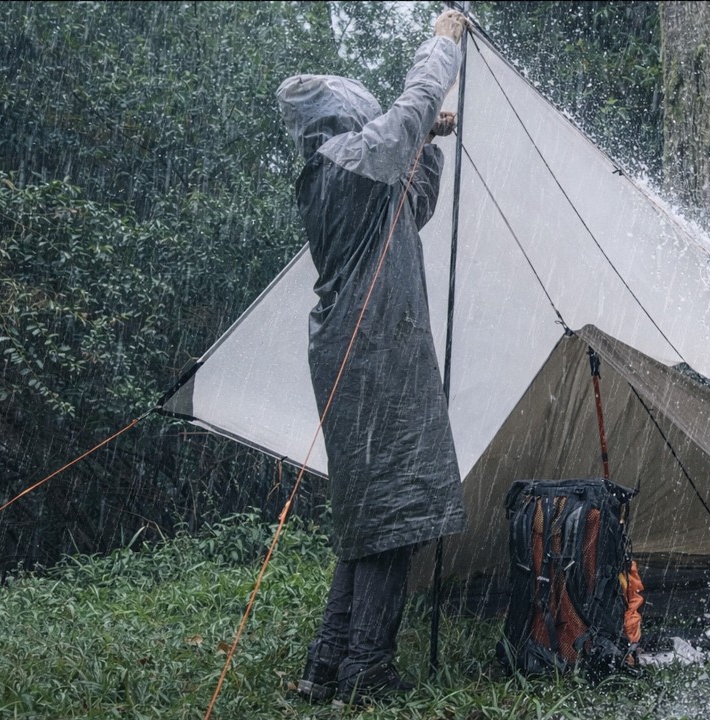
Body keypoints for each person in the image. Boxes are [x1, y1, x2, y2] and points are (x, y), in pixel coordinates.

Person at [275, 9, 469, 704]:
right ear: (339, 121)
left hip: (362, 348)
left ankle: (328, 663)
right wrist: (440, 45)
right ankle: (367, 669)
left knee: (369, 515)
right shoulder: (344, 162)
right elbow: (412, 104)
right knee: (393, 512)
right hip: (371, 350)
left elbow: (410, 211)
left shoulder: (349, 175)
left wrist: (426, 146)